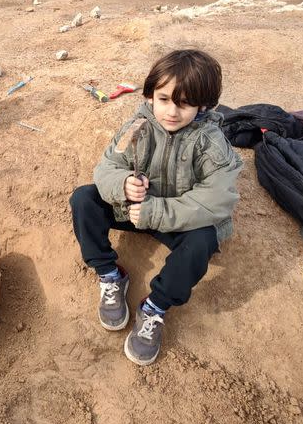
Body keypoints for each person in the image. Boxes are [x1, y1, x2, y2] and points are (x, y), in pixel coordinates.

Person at [70, 49, 242, 365]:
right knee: (84, 199)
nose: (172, 111)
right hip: (133, 209)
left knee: (203, 240)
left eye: (185, 103)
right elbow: (107, 165)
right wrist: (122, 183)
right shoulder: (136, 126)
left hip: (177, 219)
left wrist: (159, 212)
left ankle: (155, 307)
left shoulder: (211, 142)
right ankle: (110, 274)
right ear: (150, 96)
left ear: (204, 104)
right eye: (163, 99)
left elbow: (218, 198)